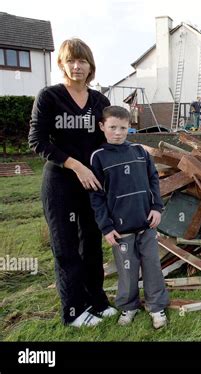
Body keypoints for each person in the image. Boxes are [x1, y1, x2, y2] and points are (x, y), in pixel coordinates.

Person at [28, 38, 115, 327]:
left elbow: (109, 138)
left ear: (90, 65)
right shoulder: (50, 96)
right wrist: (75, 164)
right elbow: (36, 141)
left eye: (82, 61)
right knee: (65, 247)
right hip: (61, 182)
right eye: (71, 61)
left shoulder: (100, 102)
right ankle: (74, 310)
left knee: (90, 244)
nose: (77, 66)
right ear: (62, 64)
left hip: (92, 182)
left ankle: (97, 302)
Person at [89, 106, 169, 329]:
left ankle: (156, 307)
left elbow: (154, 180)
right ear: (102, 127)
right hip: (120, 229)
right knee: (127, 268)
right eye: (113, 127)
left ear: (129, 128)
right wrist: (105, 227)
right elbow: (96, 197)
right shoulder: (98, 157)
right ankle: (128, 306)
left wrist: (156, 208)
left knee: (152, 265)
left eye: (123, 128)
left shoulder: (139, 152)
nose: (118, 132)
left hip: (146, 224)